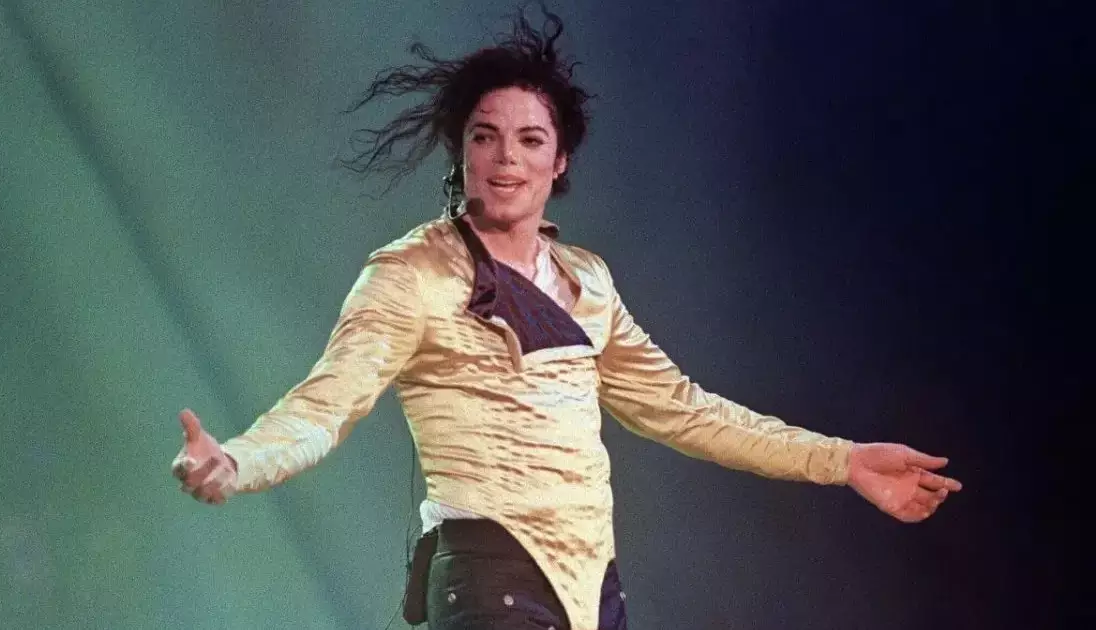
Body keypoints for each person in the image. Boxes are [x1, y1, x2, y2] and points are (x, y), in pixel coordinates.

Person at [170, 7, 962, 630]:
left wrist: (842, 460)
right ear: (462, 152)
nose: (506, 157)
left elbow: (684, 410)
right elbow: (326, 404)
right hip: (491, 574)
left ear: (560, 160)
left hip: (593, 587)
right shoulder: (412, 273)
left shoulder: (586, 281)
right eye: (486, 137)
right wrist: (238, 461)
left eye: (529, 139)